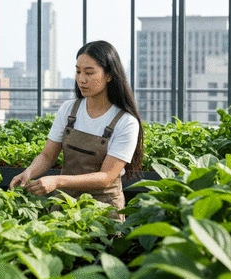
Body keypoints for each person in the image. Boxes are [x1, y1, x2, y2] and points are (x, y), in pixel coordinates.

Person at [9, 40, 143, 220]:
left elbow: (106, 177)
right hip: (65, 204)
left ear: (109, 75)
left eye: (89, 73)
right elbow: (48, 155)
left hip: (102, 210)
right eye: (78, 71)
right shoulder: (69, 109)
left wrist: (56, 181)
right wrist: (29, 172)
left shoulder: (125, 122)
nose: (81, 79)